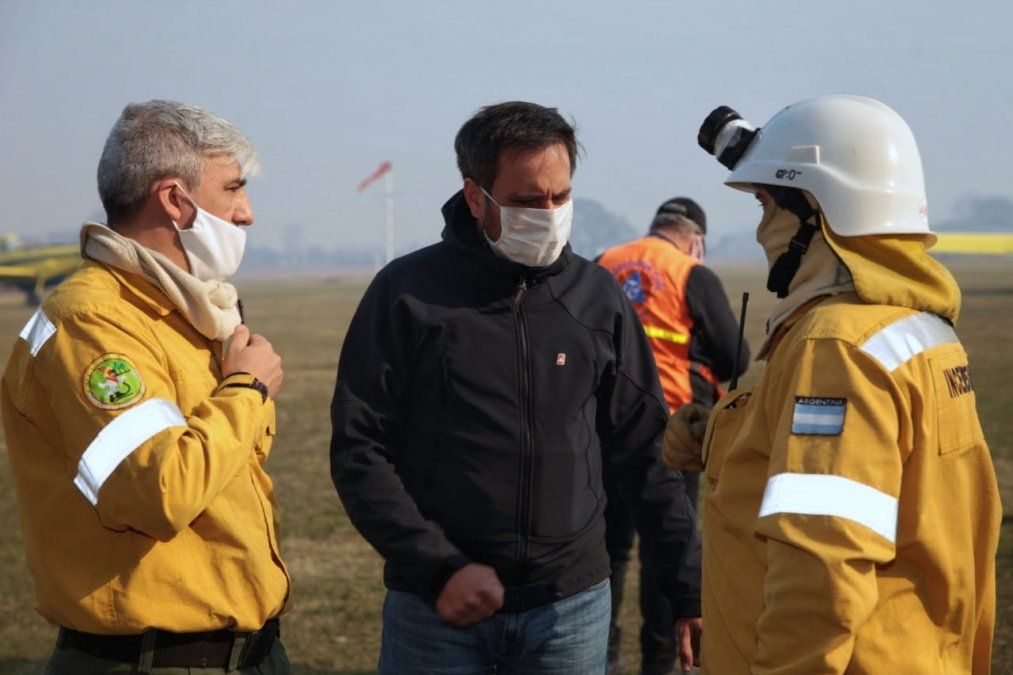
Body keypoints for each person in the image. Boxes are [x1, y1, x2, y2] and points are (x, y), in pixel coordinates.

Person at [330, 101, 702, 674]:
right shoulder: (406, 294)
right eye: (529, 201)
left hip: (571, 612)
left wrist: (687, 589)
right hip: (436, 612)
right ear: (477, 197)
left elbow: (645, 453)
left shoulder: (597, 297)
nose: (550, 213)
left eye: (561, 196)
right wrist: (437, 568)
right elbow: (360, 449)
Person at [665, 95, 1002, 673]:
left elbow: (822, 561)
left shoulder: (835, 349)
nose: (761, 231)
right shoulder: (917, 329)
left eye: (769, 206)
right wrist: (721, 431)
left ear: (822, 214)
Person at [1, 100, 290, 673]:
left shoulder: (187, 315)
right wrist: (245, 391)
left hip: (246, 653)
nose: (247, 212)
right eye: (233, 188)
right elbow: (156, 491)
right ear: (175, 199)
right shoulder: (92, 322)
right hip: (153, 659)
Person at [597, 198, 748, 674]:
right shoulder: (690, 273)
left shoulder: (605, 263)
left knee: (609, 549)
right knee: (668, 545)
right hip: (670, 430)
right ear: (694, 238)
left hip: (603, 423)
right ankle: (659, 661)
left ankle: (601, 654)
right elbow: (735, 357)